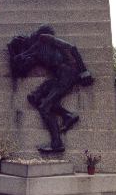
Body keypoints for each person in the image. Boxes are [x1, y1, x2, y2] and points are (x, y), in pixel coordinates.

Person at [7, 24, 94, 153]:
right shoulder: (33, 51)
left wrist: (84, 71)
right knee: (34, 98)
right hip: (59, 78)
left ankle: (57, 144)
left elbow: (72, 48)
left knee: (44, 108)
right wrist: (11, 51)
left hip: (68, 74)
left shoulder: (44, 38)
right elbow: (19, 71)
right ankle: (68, 115)